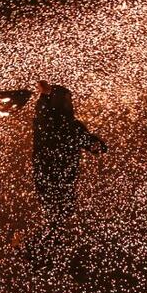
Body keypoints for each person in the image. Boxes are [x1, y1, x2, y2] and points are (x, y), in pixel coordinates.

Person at [32, 81, 107, 226]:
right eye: (66, 100)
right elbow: (90, 144)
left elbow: (91, 144)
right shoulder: (51, 124)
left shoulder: (62, 125)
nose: (69, 104)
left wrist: (96, 145)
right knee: (57, 217)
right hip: (53, 179)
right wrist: (45, 96)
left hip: (56, 179)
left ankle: (53, 232)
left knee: (59, 216)